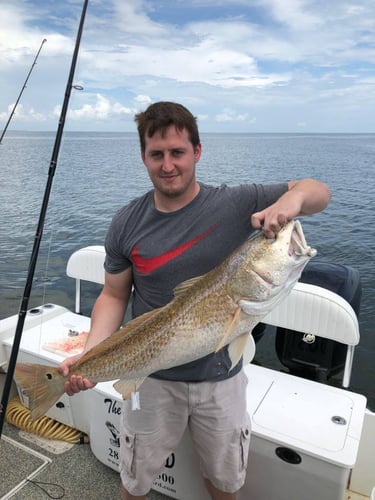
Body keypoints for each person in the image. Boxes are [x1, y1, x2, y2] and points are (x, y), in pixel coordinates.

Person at [59, 101, 331, 500]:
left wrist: (291, 202)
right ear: (144, 157)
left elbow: (317, 191)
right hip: (151, 377)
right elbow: (115, 294)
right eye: (157, 154)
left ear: (197, 152)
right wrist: (90, 355)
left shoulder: (236, 203)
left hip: (221, 380)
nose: (168, 165)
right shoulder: (126, 223)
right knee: (134, 480)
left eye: (178, 152)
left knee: (224, 482)